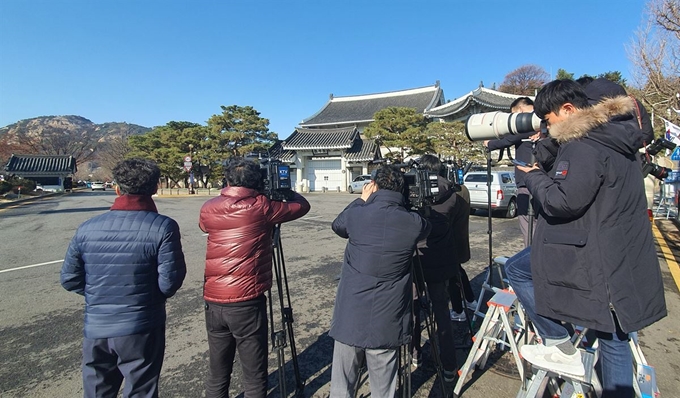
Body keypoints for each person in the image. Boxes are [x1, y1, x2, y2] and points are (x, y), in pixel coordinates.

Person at [511, 79, 667, 396]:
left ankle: (559, 343)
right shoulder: (619, 141)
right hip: (619, 253)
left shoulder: (583, 145)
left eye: (549, 120)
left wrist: (536, 177)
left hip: (594, 255)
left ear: (568, 109)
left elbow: (563, 201)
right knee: (613, 337)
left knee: (518, 269)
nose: (548, 128)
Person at [61, 158, 187, 398]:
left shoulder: (87, 227)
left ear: (117, 188)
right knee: (141, 389)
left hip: (96, 325)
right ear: (155, 188)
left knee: (97, 390)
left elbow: (69, 278)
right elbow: (169, 282)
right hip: (141, 323)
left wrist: (99, 295)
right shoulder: (163, 227)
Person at [199, 157, 310, 398]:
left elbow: (204, 226)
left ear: (228, 179)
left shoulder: (208, 207)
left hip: (214, 298)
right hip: (246, 300)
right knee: (254, 373)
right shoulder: (262, 206)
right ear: (257, 181)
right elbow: (302, 205)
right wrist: (283, 189)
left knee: (217, 371)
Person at [329, 165, 431, 398]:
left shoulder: (357, 214)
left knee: (342, 383)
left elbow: (338, 225)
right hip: (388, 314)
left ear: (373, 185)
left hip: (350, 312)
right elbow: (427, 226)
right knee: (383, 385)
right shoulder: (412, 222)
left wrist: (361, 201)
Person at [411, 154, 461, 381]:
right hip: (442, 260)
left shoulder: (414, 191)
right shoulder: (453, 193)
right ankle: (449, 364)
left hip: (418, 257)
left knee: (413, 310)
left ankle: (415, 353)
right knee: (441, 311)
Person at [483, 97, 538, 247]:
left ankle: (530, 261)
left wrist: (490, 144)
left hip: (527, 182)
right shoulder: (545, 121)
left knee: (528, 225)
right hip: (543, 182)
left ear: (519, 111)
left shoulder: (529, 121)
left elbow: (509, 140)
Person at [447, 182, 477, 321]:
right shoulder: (462, 189)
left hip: (449, 240)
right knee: (458, 271)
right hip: (459, 238)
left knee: (452, 275)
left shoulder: (450, 192)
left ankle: (458, 310)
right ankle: (470, 299)